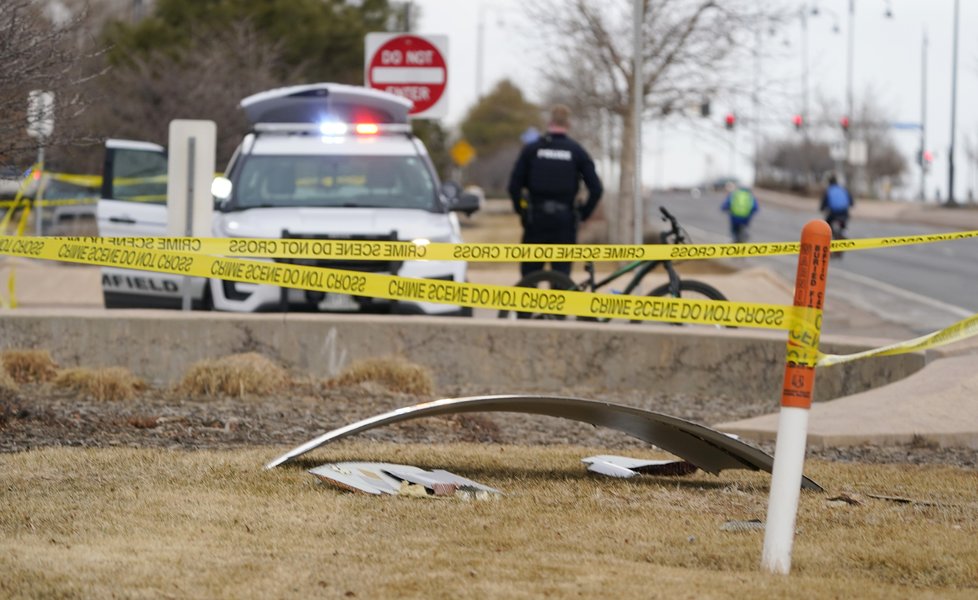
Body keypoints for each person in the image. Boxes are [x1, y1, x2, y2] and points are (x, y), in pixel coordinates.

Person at [507, 104, 603, 277]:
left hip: (535, 220)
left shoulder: (532, 149)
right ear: (568, 125)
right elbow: (596, 189)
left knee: (530, 277)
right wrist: (582, 214)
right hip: (564, 222)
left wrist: (521, 211)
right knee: (561, 278)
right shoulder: (576, 151)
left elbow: (514, 186)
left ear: (549, 123)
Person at [820, 175, 853, 239]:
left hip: (833, 212)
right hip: (844, 212)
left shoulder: (829, 190)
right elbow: (851, 201)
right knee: (844, 223)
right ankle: (843, 232)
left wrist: (822, 208)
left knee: (827, 223)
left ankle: (827, 237)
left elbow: (824, 202)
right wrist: (850, 204)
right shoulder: (843, 189)